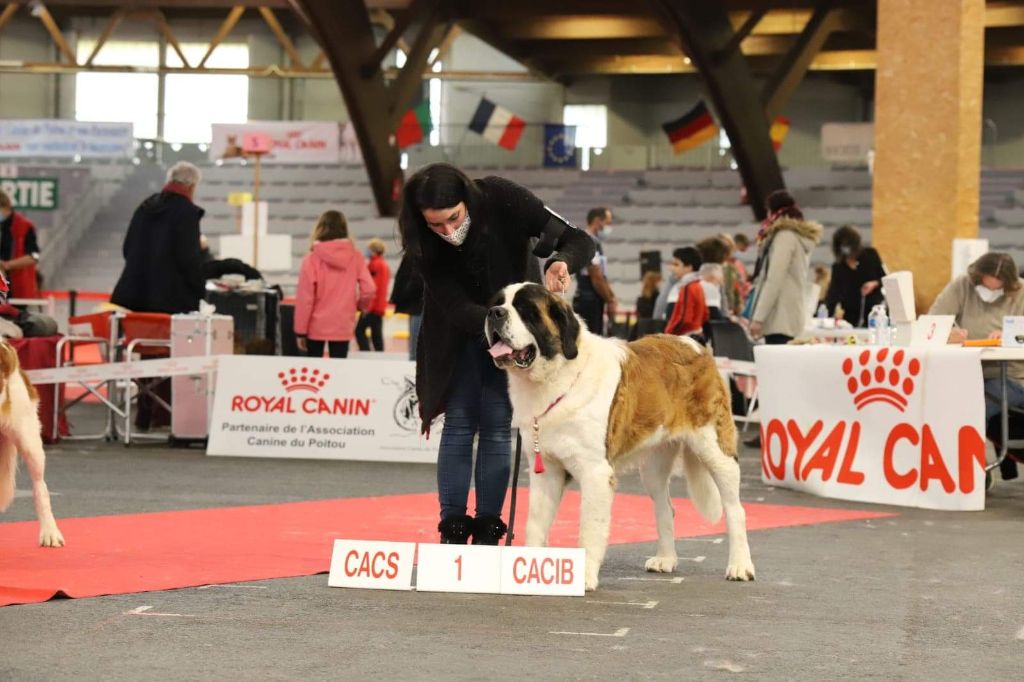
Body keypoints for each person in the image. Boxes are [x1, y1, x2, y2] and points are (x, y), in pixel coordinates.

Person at [398, 163, 594, 546]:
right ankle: (452, 526)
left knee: (496, 425)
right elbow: (454, 306)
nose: (449, 231)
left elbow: (580, 239)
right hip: (458, 334)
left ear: (466, 200)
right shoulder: (421, 241)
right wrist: (500, 331)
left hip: (517, 335)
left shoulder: (504, 197)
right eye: (437, 226)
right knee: (458, 423)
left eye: (454, 218)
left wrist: (561, 261)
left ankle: (489, 526)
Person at [930, 252, 1024, 480]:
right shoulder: (962, 286)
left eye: (997, 288)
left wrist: (1012, 335)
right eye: (986, 285)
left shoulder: (1021, 293)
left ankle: (971, 472)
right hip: (968, 372)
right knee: (942, 401)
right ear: (977, 277)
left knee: (969, 407)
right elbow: (933, 321)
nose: (990, 293)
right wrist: (948, 333)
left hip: (1012, 375)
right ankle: (959, 466)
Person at [111, 162, 206, 314]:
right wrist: (200, 289)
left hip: (132, 296)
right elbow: (188, 260)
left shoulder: (145, 206)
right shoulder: (187, 213)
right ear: (191, 187)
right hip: (169, 303)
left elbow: (127, 248)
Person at [294, 210, 375, 359]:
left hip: (314, 325)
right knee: (339, 370)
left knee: (314, 372)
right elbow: (369, 289)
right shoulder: (356, 256)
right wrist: (360, 305)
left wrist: (300, 331)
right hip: (342, 323)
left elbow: (305, 299)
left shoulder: (310, 259)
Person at [747, 190, 823, 345]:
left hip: (780, 318)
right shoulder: (796, 236)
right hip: (789, 316)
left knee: (776, 367)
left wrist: (758, 318)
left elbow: (774, 280)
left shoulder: (785, 237)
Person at [823, 225, 886, 327]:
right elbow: (833, 294)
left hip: (874, 315)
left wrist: (874, 283)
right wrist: (824, 318)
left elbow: (884, 278)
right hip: (850, 318)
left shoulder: (871, 255)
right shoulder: (838, 267)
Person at [572, 207, 617, 335]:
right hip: (589, 301)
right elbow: (596, 276)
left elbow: (602, 275)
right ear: (598, 221)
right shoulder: (588, 241)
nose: (609, 228)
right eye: (607, 223)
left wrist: (611, 296)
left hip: (589, 299)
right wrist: (610, 299)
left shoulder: (593, 242)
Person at [0, 189, 41, 300]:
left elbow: (35, 256)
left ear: (5, 207)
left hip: (18, 290)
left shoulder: (24, 226)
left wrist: (8, 265)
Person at [355, 238, 390, 352]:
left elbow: (372, 288)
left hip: (372, 306)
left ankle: (365, 353)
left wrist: (367, 307)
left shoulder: (374, 265)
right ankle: (379, 356)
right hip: (379, 306)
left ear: (374, 250)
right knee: (376, 334)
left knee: (359, 330)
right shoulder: (384, 265)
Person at [664, 246, 707, 337]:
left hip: (685, 336)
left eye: (676, 264)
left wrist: (669, 333)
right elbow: (705, 314)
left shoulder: (688, 287)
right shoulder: (698, 285)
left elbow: (684, 318)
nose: (672, 268)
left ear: (689, 267)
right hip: (695, 334)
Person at [390, 254, 424, 361]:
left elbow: (409, 279)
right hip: (420, 304)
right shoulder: (414, 251)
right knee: (417, 349)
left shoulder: (414, 251)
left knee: (416, 351)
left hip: (419, 305)